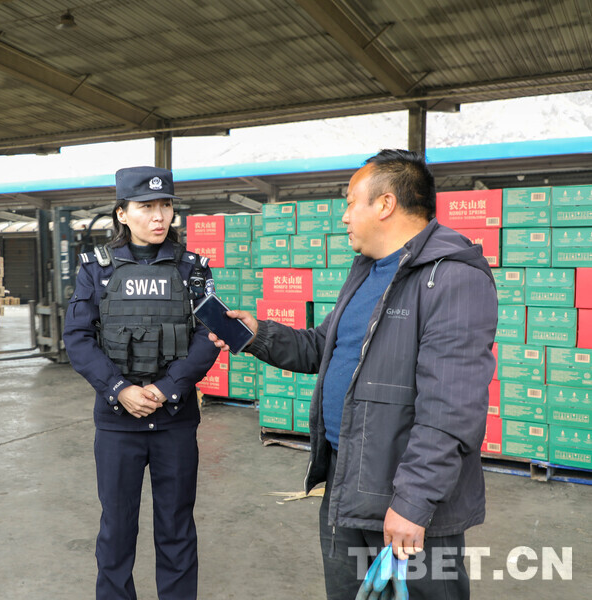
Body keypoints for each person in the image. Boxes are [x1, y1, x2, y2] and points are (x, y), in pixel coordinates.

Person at [209, 149, 497, 599]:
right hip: (349, 482)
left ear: (385, 204)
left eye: (349, 202)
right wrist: (257, 334)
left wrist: (413, 502)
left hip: (406, 498)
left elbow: (451, 408)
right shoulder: (366, 271)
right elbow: (324, 348)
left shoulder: (453, 279)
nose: (344, 217)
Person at [63, 166, 220, 599]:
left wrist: (167, 388)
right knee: (116, 531)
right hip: (117, 424)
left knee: (176, 528)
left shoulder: (192, 269)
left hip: (174, 420)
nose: (158, 216)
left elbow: (210, 336)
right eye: (146, 207)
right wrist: (120, 390)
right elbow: (77, 338)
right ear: (122, 213)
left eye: (165, 205)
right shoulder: (96, 270)